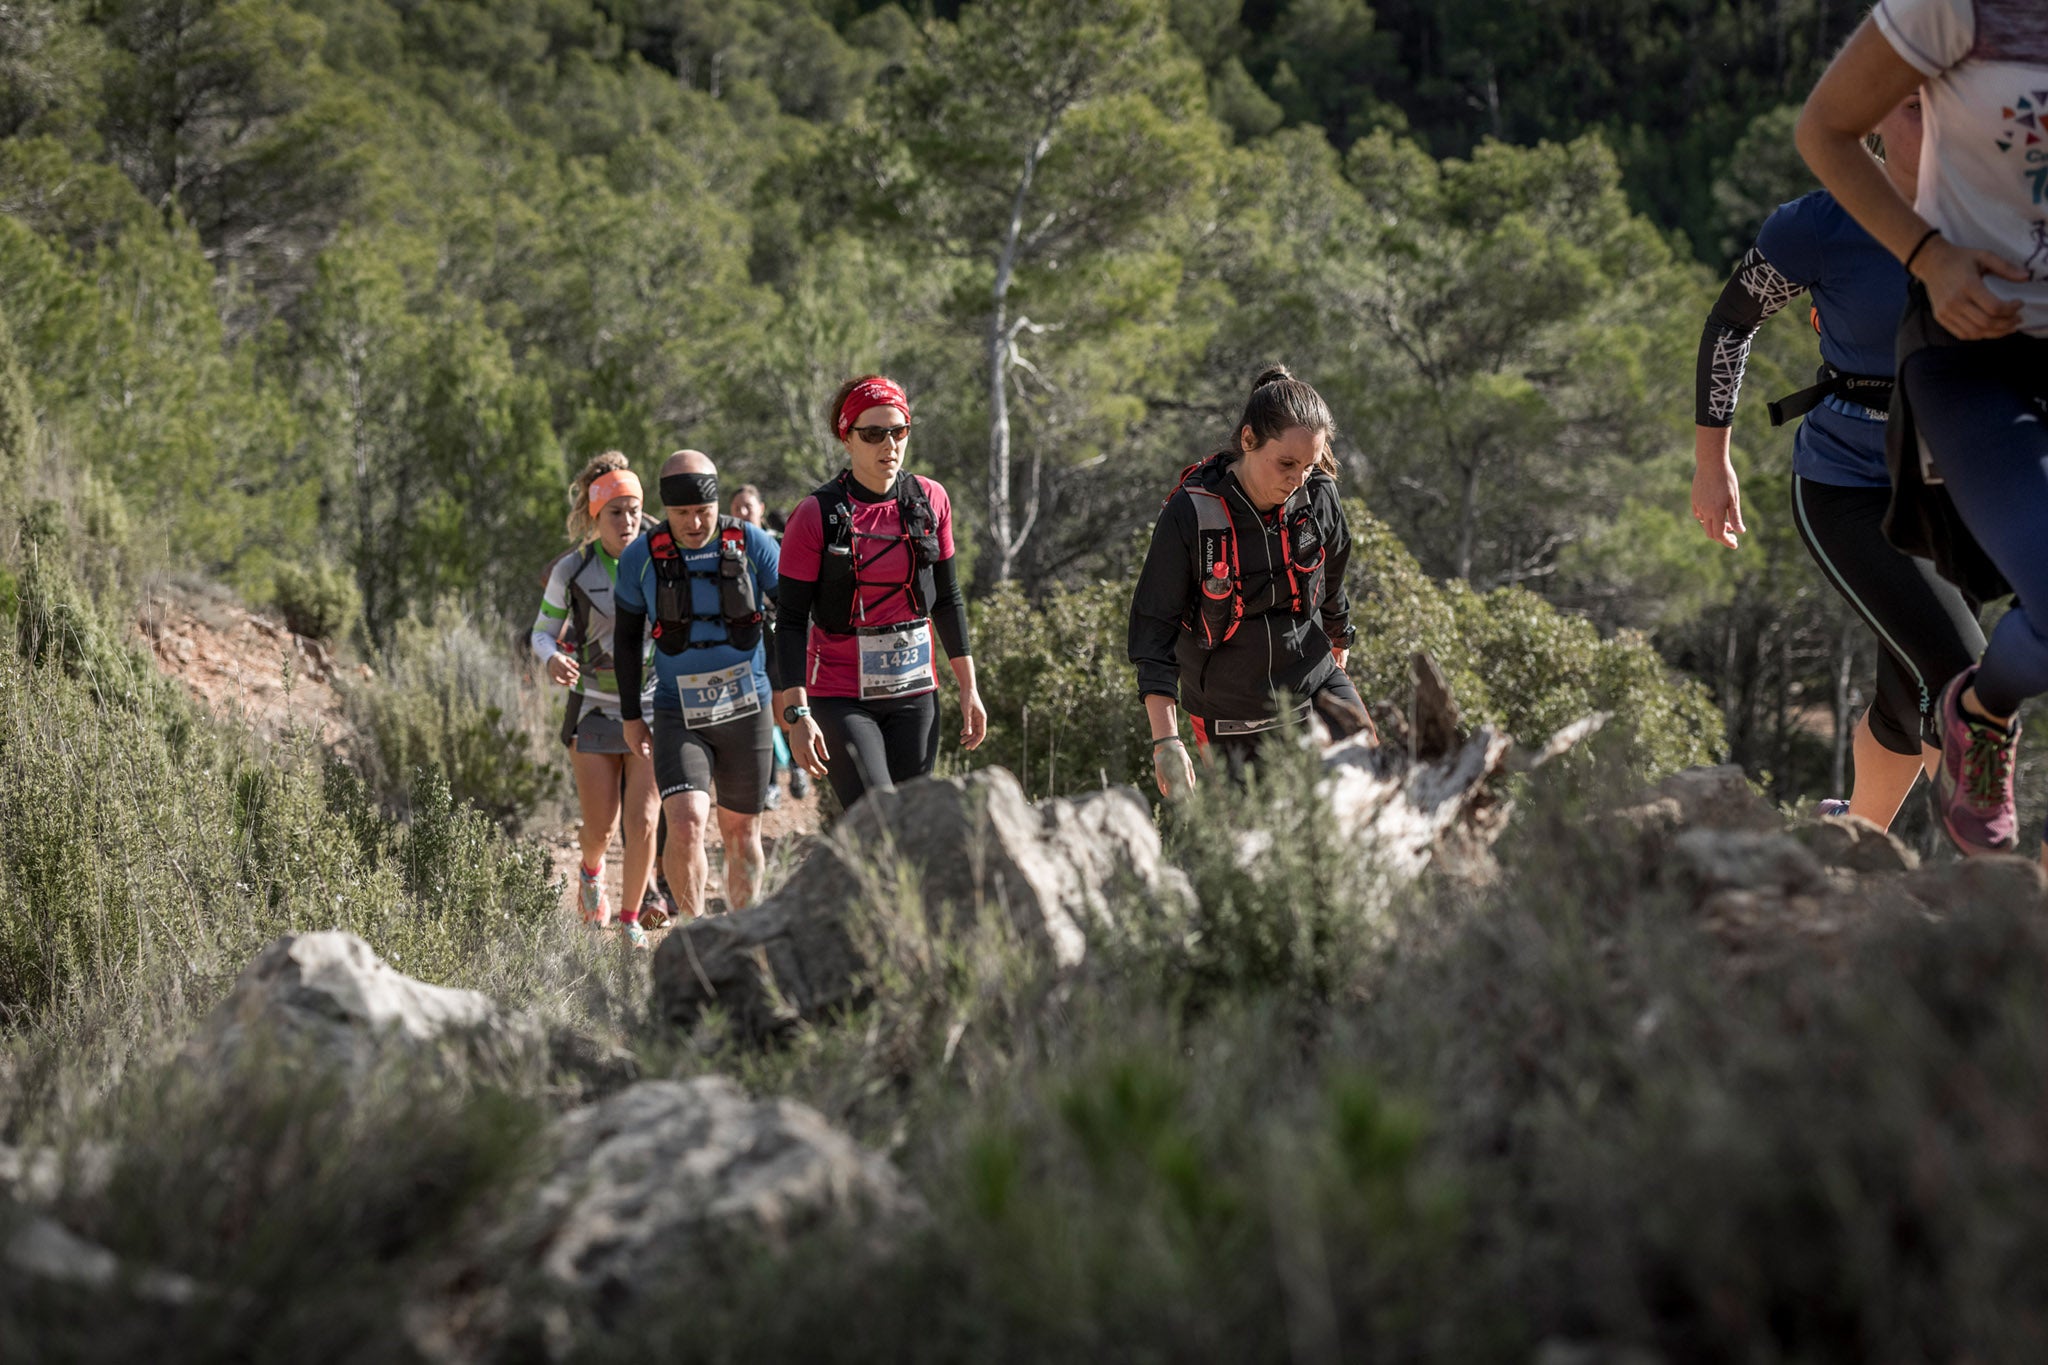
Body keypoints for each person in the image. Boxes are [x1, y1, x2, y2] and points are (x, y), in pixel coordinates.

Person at [1797, 0, 2048, 861]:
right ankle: (1976, 919)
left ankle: (1879, 839)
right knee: (2000, 629)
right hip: (1961, 370)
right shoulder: (1958, 8)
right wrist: (1930, 257)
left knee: (1904, 701)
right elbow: (1825, 130)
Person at [1693, 92, 1984, 831]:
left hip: (1966, 497)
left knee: (1908, 693)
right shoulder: (1821, 224)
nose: (1936, 119)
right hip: (1850, 488)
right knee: (1965, 682)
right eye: (1913, 105)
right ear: (1876, 116)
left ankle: (1855, 838)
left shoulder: (1998, 215)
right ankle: (1992, 902)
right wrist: (1712, 461)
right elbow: (1732, 325)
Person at [1127, 365, 1373, 796]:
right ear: (1247, 440)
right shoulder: (1190, 514)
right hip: (1229, 711)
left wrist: (1339, 635)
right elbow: (1153, 633)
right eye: (1286, 464)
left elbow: (1332, 578)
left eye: (1310, 464)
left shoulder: (1318, 493)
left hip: (1314, 682)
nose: (1298, 479)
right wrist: (1166, 740)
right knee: (1252, 843)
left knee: (1373, 788)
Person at [773, 375, 988, 811]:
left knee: (910, 822)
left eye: (899, 430)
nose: (888, 444)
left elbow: (947, 597)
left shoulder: (931, 499)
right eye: (872, 434)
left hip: (914, 690)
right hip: (840, 695)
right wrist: (797, 715)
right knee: (876, 814)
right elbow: (792, 620)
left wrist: (969, 687)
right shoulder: (815, 514)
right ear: (847, 438)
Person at [614, 450, 781, 923]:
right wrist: (631, 715)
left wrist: (794, 698)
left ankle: (743, 933)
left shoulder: (752, 542)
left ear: (717, 501)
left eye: (703, 512)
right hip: (677, 711)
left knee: (741, 833)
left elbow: (792, 615)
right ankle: (694, 937)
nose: (693, 523)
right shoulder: (640, 558)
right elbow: (626, 641)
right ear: (666, 509)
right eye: (681, 513)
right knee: (685, 823)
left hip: (747, 708)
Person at [532, 452, 661, 947]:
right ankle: (590, 872)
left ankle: (629, 919)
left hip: (650, 707)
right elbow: (542, 632)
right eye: (615, 512)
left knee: (644, 818)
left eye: (633, 509)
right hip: (593, 708)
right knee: (602, 828)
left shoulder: (659, 559)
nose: (627, 520)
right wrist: (550, 658)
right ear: (594, 515)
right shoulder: (574, 568)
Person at [729, 482, 808, 806]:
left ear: (761, 508)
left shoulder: (778, 543)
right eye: (736, 509)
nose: (743, 513)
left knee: (780, 708)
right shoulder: (726, 548)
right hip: (744, 640)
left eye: (748, 506)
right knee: (756, 714)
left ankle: (796, 764)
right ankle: (770, 784)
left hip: (777, 637)